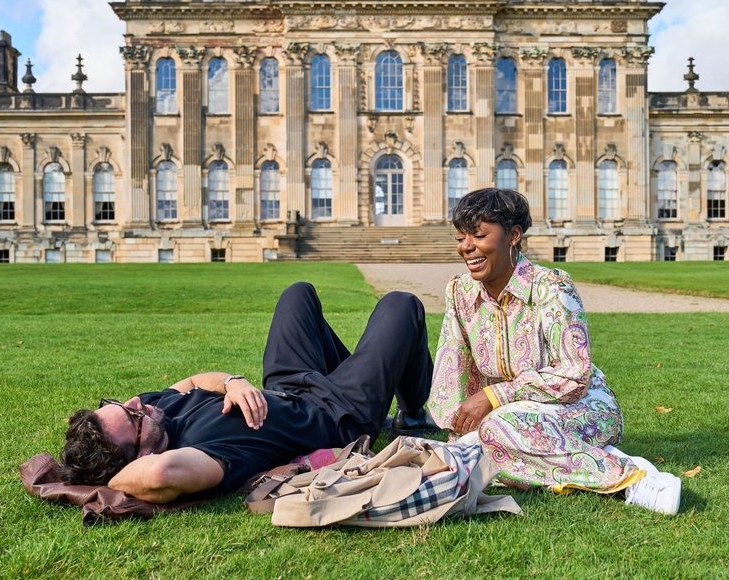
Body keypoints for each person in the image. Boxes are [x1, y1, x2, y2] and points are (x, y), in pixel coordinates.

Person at [57, 282, 437, 503]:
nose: (138, 403)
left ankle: (372, 370)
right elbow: (159, 474)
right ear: (139, 454)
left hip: (287, 385)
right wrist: (107, 481)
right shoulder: (198, 455)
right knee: (400, 305)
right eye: (133, 416)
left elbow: (192, 381)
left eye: (121, 405)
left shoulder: (155, 409)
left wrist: (231, 382)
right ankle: (413, 408)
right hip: (338, 413)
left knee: (297, 294)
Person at [428, 188, 682, 515]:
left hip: (583, 407)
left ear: (514, 236)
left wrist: (495, 398)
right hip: (508, 416)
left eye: (478, 235)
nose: (466, 247)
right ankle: (600, 458)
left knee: (493, 436)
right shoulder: (459, 291)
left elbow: (573, 373)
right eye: (461, 237)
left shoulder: (551, 285)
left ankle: (633, 477)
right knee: (474, 448)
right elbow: (453, 366)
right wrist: (456, 423)